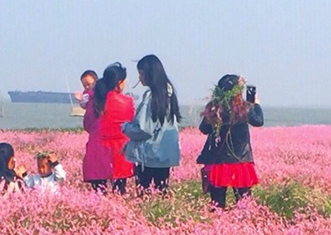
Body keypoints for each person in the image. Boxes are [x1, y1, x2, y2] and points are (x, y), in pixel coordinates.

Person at [197, 74, 263, 208]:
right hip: (240, 161)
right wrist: (256, 104)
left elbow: (204, 128)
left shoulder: (214, 109)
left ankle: (216, 226)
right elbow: (259, 121)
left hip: (218, 161)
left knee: (217, 204)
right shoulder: (245, 107)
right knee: (244, 203)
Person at [124, 54, 184, 192]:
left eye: (141, 73)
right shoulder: (169, 93)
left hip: (148, 154)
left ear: (149, 74)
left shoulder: (151, 96)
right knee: (162, 190)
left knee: (143, 192)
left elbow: (143, 129)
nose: (139, 78)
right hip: (165, 155)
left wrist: (126, 127)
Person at [82, 62, 135, 193]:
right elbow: (131, 124)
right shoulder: (127, 102)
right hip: (119, 152)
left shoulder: (94, 100)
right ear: (119, 82)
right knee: (120, 192)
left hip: (97, 151)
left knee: (98, 194)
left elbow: (87, 125)